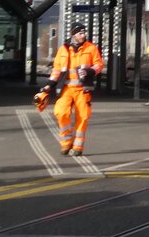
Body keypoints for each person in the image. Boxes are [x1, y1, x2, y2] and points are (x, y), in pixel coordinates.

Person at [35, 23, 104, 157]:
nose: (83, 35)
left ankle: (77, 147)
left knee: (83, 117)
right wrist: (49, 85)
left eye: (84, 33)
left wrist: (90, 71)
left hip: (83, 90)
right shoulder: (63, 50)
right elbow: (56, 70)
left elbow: (99, 65)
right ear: (73, 35)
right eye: (80, 33)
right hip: (66, 89)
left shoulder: (91, 48)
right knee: (60, 113)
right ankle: (66, 142)